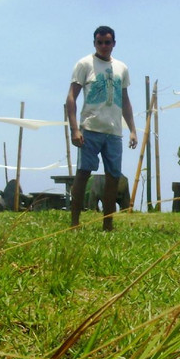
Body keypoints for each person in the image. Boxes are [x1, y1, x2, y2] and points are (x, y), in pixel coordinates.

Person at [65, 25, 138, 230]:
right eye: (100, 42)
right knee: (83, 173)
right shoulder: (84, 64)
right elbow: (71, 98)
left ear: (114, 43)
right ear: (94, 43)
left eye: (107, 42)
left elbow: (124, 100)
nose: (104, 46)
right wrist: (74, 129)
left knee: (113, 177)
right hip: (90, 129)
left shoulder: (122, 68)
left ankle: (108, 224)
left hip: (114, 132)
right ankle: (74, 222)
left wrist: (132, 129)